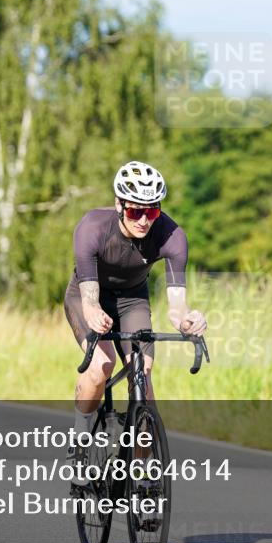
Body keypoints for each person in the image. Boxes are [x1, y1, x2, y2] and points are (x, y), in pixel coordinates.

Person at [64, 161, 207, 470]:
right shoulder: (92, 228)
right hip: (88, 295)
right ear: (119, 205)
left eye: (151, 212)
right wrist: (94, 311)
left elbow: (177, 308)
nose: (143, 220)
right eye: (134, 211)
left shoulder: (172, 236)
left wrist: (187, 321)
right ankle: (80, 438)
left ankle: (141, 470)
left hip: (132, 300)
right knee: (102, 365)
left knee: (143, 370)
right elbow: (89, 300)